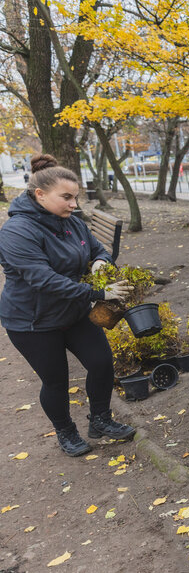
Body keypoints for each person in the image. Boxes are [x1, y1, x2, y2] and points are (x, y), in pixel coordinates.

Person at [0, 154, 136, 457]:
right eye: (67, 197)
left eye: (75, 197)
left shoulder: (71, 223)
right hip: (33, 322)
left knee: (101, 363)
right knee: (56, 381)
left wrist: (101, 262)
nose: (74, 204)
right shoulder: (17, 231)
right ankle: (65, 431)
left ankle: (100, 420)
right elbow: (43, 280)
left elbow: (99, 248)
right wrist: (98, 291)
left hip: (73, 312)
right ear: (40, 195)